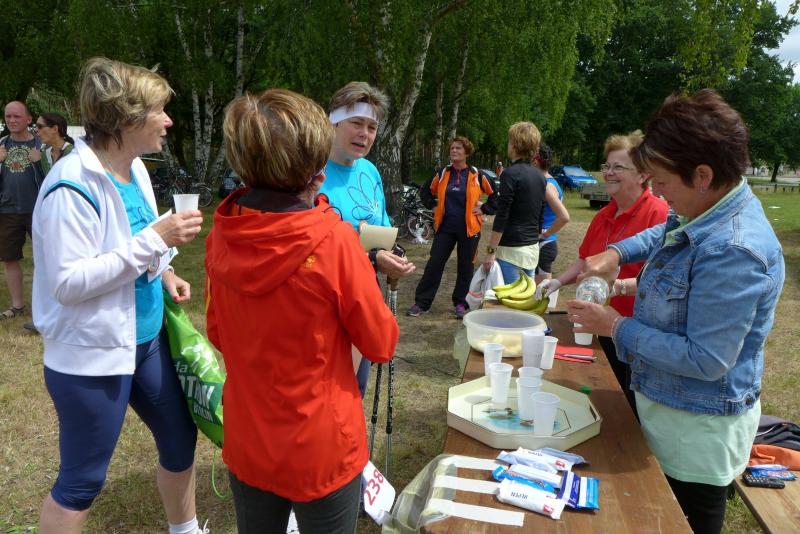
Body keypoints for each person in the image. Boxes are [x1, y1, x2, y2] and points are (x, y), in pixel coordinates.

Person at [568, 90, 784, 534]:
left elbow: (706, 359)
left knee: (681, 521)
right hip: (669, 411)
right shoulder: (707, 205)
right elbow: (664, 231)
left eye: (663, 182)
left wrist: (615, 325)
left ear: (702, 175)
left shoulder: (734, 251)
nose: (659, 194)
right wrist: (616, 253)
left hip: (695, 433)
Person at [206, 88, 399, 534]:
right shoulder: (335, 241)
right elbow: (381, 342)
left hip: (249, 435)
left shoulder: (223, 233)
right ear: (314, 170)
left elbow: (217, 331)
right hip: (322, 445)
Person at [32, 58, 204, 534]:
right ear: (126, 118)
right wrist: (156, 240)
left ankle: (186, 530)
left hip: (144, 342)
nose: (168, 121)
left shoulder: (135, 170)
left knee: (180, 440)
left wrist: (165, 273)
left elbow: (131, 246)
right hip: (90, 356)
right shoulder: (70, 185)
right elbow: (68, 284)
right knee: (82, 481)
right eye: (158, 111)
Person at [536, 131, 668, 410]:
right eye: (607, 166)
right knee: (608, 393)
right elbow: (585, 259)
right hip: (602, 324)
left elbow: (662, 280)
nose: (608, 173)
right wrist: (557, 282)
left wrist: (616, 287)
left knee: (632, 402)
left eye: (618, 167)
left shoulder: (659, 215)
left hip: (638, 331)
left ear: (643, 174)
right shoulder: (604, 214)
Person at [322, 81, 414, 396]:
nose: (364, 134)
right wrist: (373, 257)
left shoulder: (370, 172)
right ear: (334, 122)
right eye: (356, 123)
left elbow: (380, 228)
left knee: (355, 389)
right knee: (332, 392)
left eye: (371, 127)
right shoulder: (311, 173)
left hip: (364, 295)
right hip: (326, 300)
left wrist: (394, 253)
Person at [408, 135, 498, 319]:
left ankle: (461, 303)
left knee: (465, 267)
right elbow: (425, 191)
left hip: (469, 229)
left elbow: (496, 195)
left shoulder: (477, 174)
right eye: (452, 148)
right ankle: (422, 303)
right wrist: (433, 206)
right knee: (434, 264)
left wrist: (485, 209)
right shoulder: (443, 173)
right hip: (445, 228)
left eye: (458, 148)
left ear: (466, 152)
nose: (454, 151)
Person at [480, 122, 547, 285]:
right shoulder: (540, 177)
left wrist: (491, 251)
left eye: (509, 141)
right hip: (531, 250)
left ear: (515, 145)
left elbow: (503, 215)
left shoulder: (510, 174)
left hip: (511, 251)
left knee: (508, 299)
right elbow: (540, 214)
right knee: (524, 297)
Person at [0, 101, 43, 321]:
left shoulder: (41, 144)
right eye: (8, 116)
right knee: (10, 258)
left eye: (17, 116)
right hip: (7, 210)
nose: (12, 120)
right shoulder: (1, 144)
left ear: (28, 119)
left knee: (44, 259)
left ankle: (44, 307)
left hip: (38, 211)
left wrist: (39, 162)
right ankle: (17, 306)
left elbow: (56, 175)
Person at [533, 142, 570, 284]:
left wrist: (544, 234)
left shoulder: (547, 186)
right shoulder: (548, 181)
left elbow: (564, 217)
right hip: (544, 244)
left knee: (542, 292)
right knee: (538, 291)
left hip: (544, 245)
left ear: (535, 161)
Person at [36, 112, 75, 176]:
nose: (36, 130)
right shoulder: (44, 154)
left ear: (55, 129)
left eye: (40, 126)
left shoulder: (74, 153)